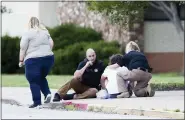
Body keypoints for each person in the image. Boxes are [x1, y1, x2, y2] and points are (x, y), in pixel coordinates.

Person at [19, 17, 54, 108]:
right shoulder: (45, 32)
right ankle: (47, 93)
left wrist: (21, 60)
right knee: (41, 76)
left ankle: (37, 102)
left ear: (29, 23)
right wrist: (46, 52)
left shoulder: (27, 32)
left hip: (33, 60)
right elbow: (51, 43)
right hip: (48, 58)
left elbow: (23, 48)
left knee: (33, 79)